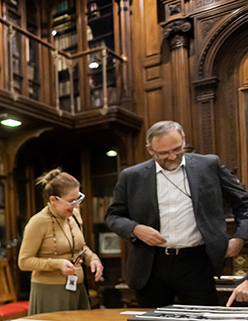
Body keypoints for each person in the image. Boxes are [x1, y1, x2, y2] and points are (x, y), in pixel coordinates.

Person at [106, 120, 248, 307]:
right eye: (163, 153)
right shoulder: (132, 176)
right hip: (151, 265)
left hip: (197, 263)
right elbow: (113, 216)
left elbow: (244, 203)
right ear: (150, 150)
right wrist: (135, 229)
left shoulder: (209, 165)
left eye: (176, 149)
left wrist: (240, 238)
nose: (172, 157)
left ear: (183, 140)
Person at [18, 169, 103, 315]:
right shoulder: (38, 222)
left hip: (78, 287)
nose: (76, 205)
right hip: (50, 292)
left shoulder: (74, 215)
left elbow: (80, 247)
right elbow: (24, 262)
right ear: (53, 200)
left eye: (78, 198)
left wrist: (92, 258)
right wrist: (57, 264)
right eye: (71, 201)